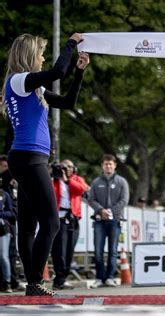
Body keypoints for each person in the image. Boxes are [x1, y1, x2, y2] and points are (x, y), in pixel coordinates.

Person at [1, 33, 89, 296]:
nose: (42, 57)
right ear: (29, 55)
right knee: (51, 223)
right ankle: (36, 281)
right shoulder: (19, 81)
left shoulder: (34, 87)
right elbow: (58, 71)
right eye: (40, 53)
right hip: (28, 159)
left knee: (28, 227)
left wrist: (80, 72)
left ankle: (32, 283)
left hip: (29, 159)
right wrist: (70, 45)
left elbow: (68, 103)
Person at [88, 154, 129, 289]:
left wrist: (110, 212)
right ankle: (99, 278)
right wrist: (101, 211)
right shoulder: (96, 182)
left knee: (113, 250)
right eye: (106, 164)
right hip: (99, 220)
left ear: (115, 165)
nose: (108, 166)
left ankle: (110, 277)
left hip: (115, 220)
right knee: (98, 251)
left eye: (111, 164)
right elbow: (91, 199)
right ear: (102, 165)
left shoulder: (122, 182)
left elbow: (124, 200)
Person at [51, 159, 89, 290]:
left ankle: (63, 278)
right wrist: (54, 174)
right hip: (59, 219)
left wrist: (67, 180)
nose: (67, 169)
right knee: (59, 250)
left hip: (73, 219)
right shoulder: (54, 181)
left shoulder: (76, 179)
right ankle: (59, 279)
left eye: (70, 167)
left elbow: (82, 190)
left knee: (69, 251)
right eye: (64, 166)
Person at [0, 155, 24, 292]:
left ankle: (12, 280)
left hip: (9, 224)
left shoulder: (12, 185)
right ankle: (7, 280)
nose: (7, 170)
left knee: (11, 253)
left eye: (8, 167)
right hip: (6, 223)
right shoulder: (4, 185)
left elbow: (13, 209)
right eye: (4, 167)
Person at [0, 183, 15, 293]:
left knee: (3, 256)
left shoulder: (4, 194)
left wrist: (1, 213)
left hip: (3, 229)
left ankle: (7, 282)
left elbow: (11, 213)